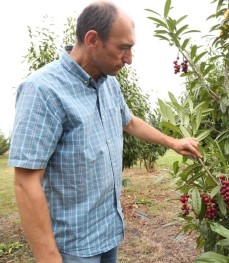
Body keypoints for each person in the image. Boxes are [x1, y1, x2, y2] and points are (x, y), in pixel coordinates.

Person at [8, 1, 201, 262]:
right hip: (72, 246)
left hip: (108, 231)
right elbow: (25, 181)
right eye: (124, 48)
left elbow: (129, 121)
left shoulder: (108, 83)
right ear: (92, 39)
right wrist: (48, 257)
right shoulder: (42, 90)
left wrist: (172, 142)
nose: (129, 60)